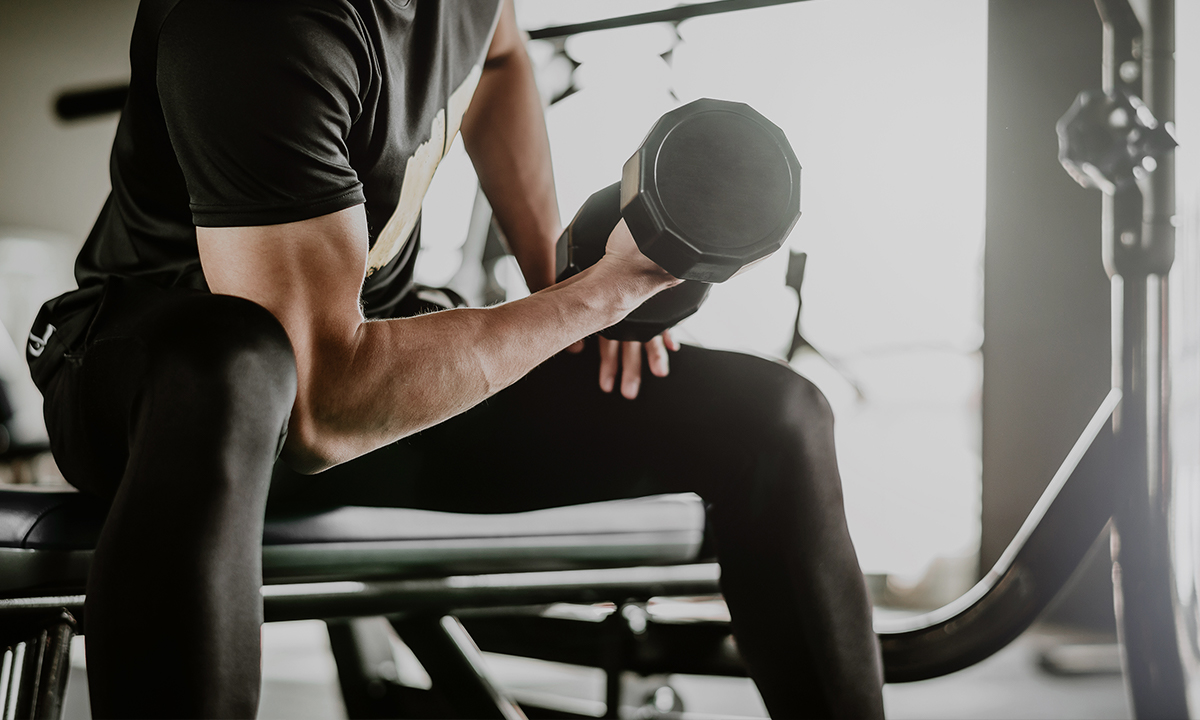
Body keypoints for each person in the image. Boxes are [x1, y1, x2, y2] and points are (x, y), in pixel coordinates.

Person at [26, 0, 884, 717]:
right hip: (159, 390)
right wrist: (595, 297)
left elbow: (503, 55)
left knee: (778, 418)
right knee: (239, 363)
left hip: (364, 364)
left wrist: (560, 278)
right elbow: (321, 407)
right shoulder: (257, 24)